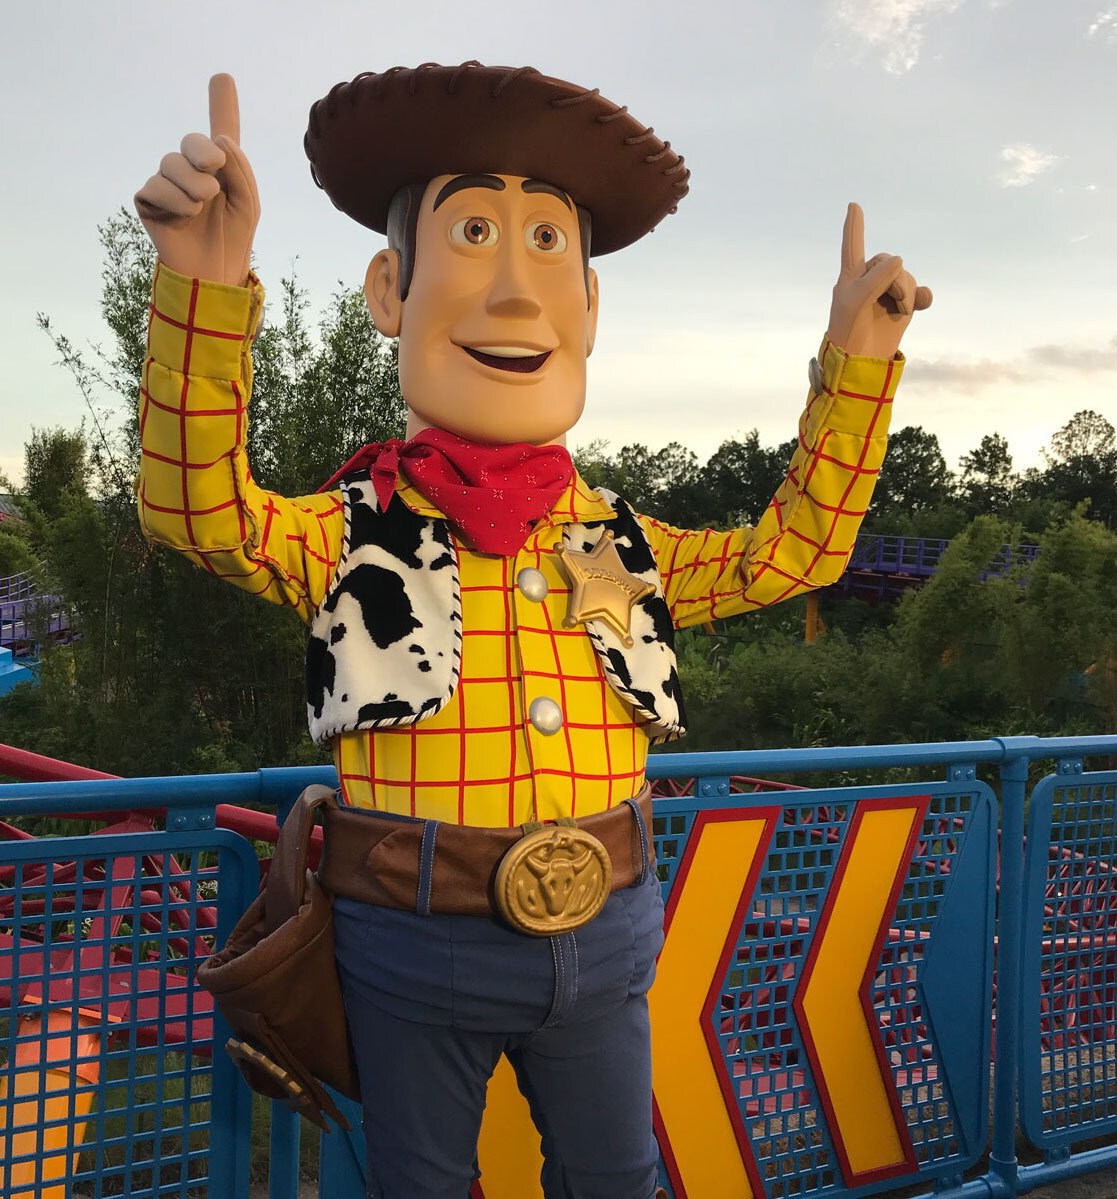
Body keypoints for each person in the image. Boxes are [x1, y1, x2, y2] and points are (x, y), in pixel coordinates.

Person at [134, 63, 930, 1199]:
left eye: (551, 244)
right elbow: (196, 507)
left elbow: (791, 553)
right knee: (419, 1182)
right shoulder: (355, 528)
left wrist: (858, 370)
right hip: (410, 936)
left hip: (606, 930)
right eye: (472, 232)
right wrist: (203, 294)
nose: (515, 292)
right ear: (388, 290)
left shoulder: (614, 539)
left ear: (591, 311)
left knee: (616, 1174)